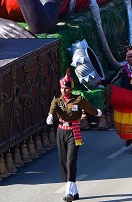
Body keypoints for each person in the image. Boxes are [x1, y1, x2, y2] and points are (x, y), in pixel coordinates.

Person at [47, 69, 102, 202]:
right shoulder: (57, 100)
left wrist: (96, 112)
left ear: (71, 88)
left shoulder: (78, 100)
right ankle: (74, 191)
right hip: (61, 131)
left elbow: (89, 108)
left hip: (74, 131)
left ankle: (69, 192)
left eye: (66, 88)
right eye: (62, 88)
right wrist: (50, 116)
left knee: (71, 159)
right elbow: (53, 109)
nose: (63, 90)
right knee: (63, 161)